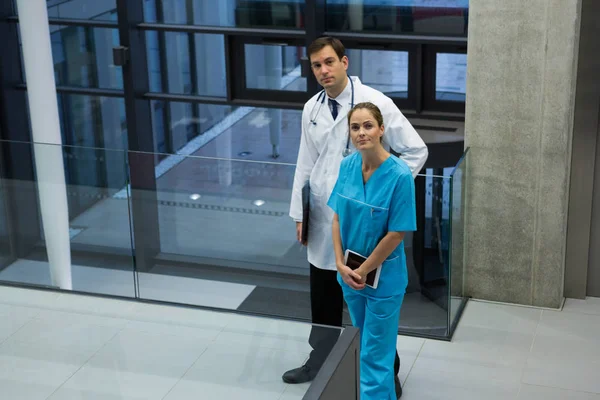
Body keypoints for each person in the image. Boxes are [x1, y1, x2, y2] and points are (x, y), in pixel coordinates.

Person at [284, 36, 427, 398]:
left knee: (372, 305)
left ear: (345, 62)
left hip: (366, 220)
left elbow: (415, 150)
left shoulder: (375, 103)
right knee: (325, 290)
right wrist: (299, 212)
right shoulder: (311, 109)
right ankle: (321, 359)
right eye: (316, 65)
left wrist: (383, 194)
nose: (323, 71)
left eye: (329, 62)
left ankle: (386, 371)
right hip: (324, 212)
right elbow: (305, 162)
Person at [329, 102, 416, 399]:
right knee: (363, 342)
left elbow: (396, 234)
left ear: (381, 129)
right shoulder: (347, 166)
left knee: (374, 355)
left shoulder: (400, 176)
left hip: (382, 280)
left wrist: (363, 270)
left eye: (368, 126)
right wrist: (340, 263)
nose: (361, 132)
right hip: (350, 276)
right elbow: (337, 216)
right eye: (355, 127)